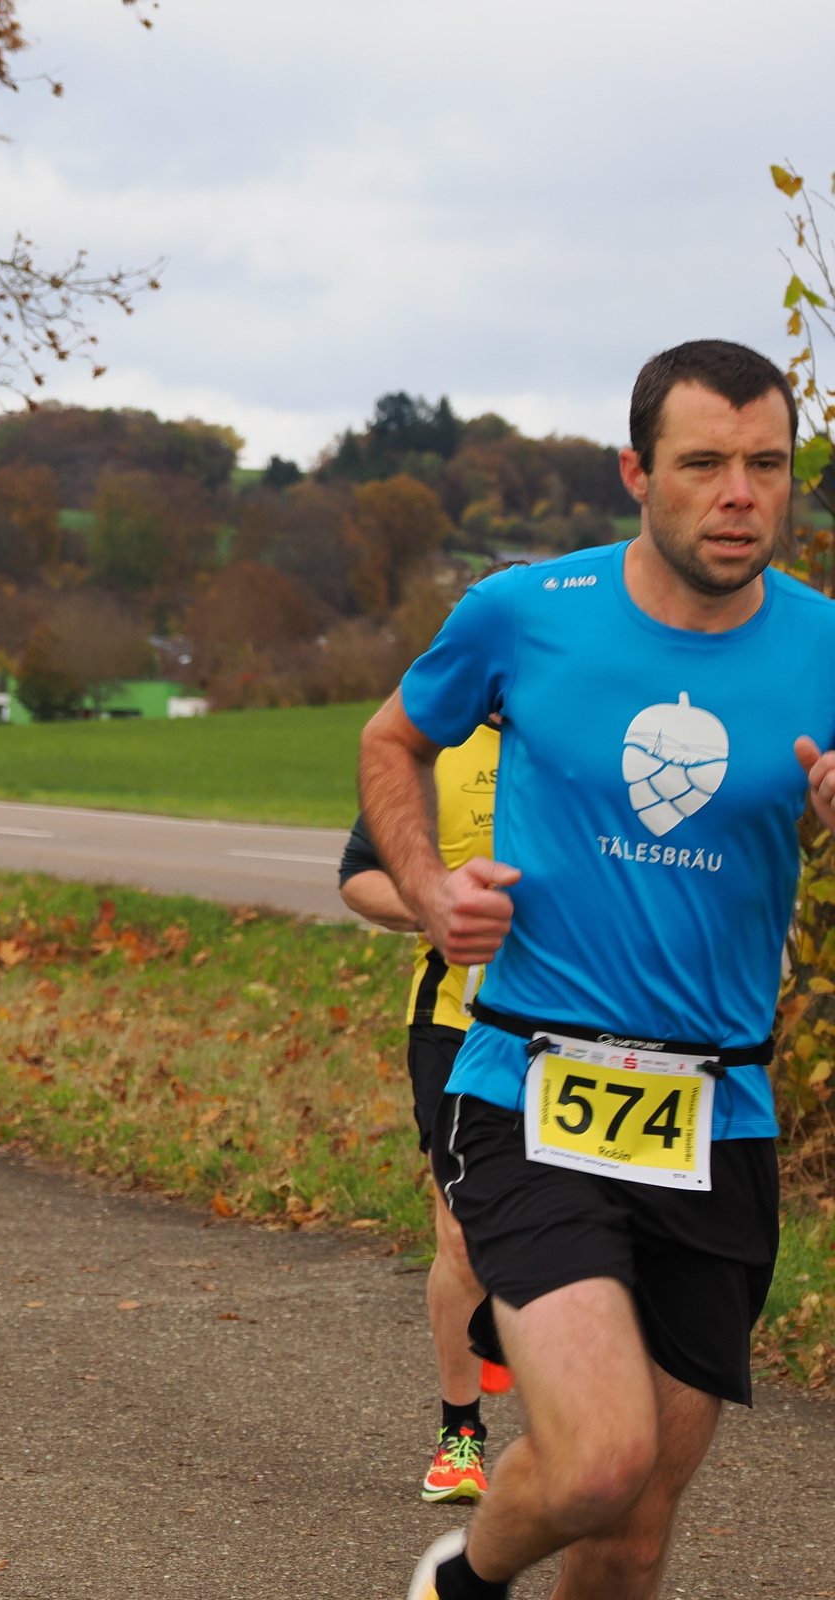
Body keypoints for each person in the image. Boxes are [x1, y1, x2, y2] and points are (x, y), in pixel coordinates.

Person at [363, 342, 835, 1600]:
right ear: (636, 472)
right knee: (598, 1461)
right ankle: (464, 1582)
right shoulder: (525, 611)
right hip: (531, 1082)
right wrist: (429, 890)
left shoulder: (826, 646)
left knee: (632, 1532)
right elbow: (393, 740)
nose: (739, 495)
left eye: (768, 465)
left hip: (719, 1111)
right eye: (705, 463)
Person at [339, 707, 515, 1504]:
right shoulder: (434, 748)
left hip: (574, 1033)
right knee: (463, 1237)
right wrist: (434, 904)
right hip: (455, 1025)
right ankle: (461, 1435)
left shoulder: (587, 730)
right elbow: (358, 874)